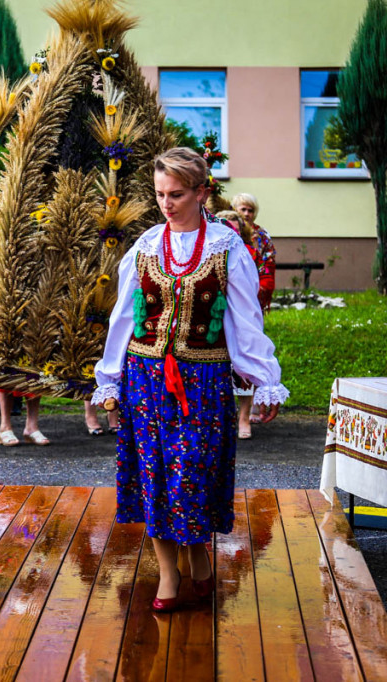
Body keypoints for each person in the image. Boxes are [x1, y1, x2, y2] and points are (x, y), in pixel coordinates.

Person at [93, 147, 287, 613]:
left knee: (193, 474)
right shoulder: (145, 246)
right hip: (146, 379)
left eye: (176, 194)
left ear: (202, 192)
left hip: (203, 381)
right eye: (160, 193)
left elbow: (245, 318)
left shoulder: (226, 246)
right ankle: (168, 572)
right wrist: (109, 379)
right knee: (157, 477)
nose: (166, 203)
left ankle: (198, 557)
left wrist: (265, 378)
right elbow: (123, 319)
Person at [230, 192, 277, 438]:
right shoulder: (223, 235)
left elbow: (267, 269)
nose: (246, 214)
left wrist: (256, 291)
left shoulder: (260, 239)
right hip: (221, 311)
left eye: (250, 210)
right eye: (242, 210)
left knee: (247, 359)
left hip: (249, 308)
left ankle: (244, 417)